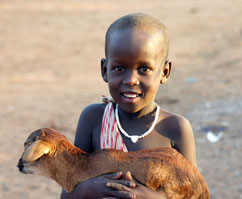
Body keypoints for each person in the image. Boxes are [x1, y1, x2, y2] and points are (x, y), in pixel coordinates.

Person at [61, 13, 197, 199]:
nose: (131, 80)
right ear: (104, 70)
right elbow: (68, 192)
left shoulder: (175, 128)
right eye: (119, 68)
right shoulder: (94, 119)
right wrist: (90, 188)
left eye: (144, 69)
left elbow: (195, 195)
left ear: (164, 72)